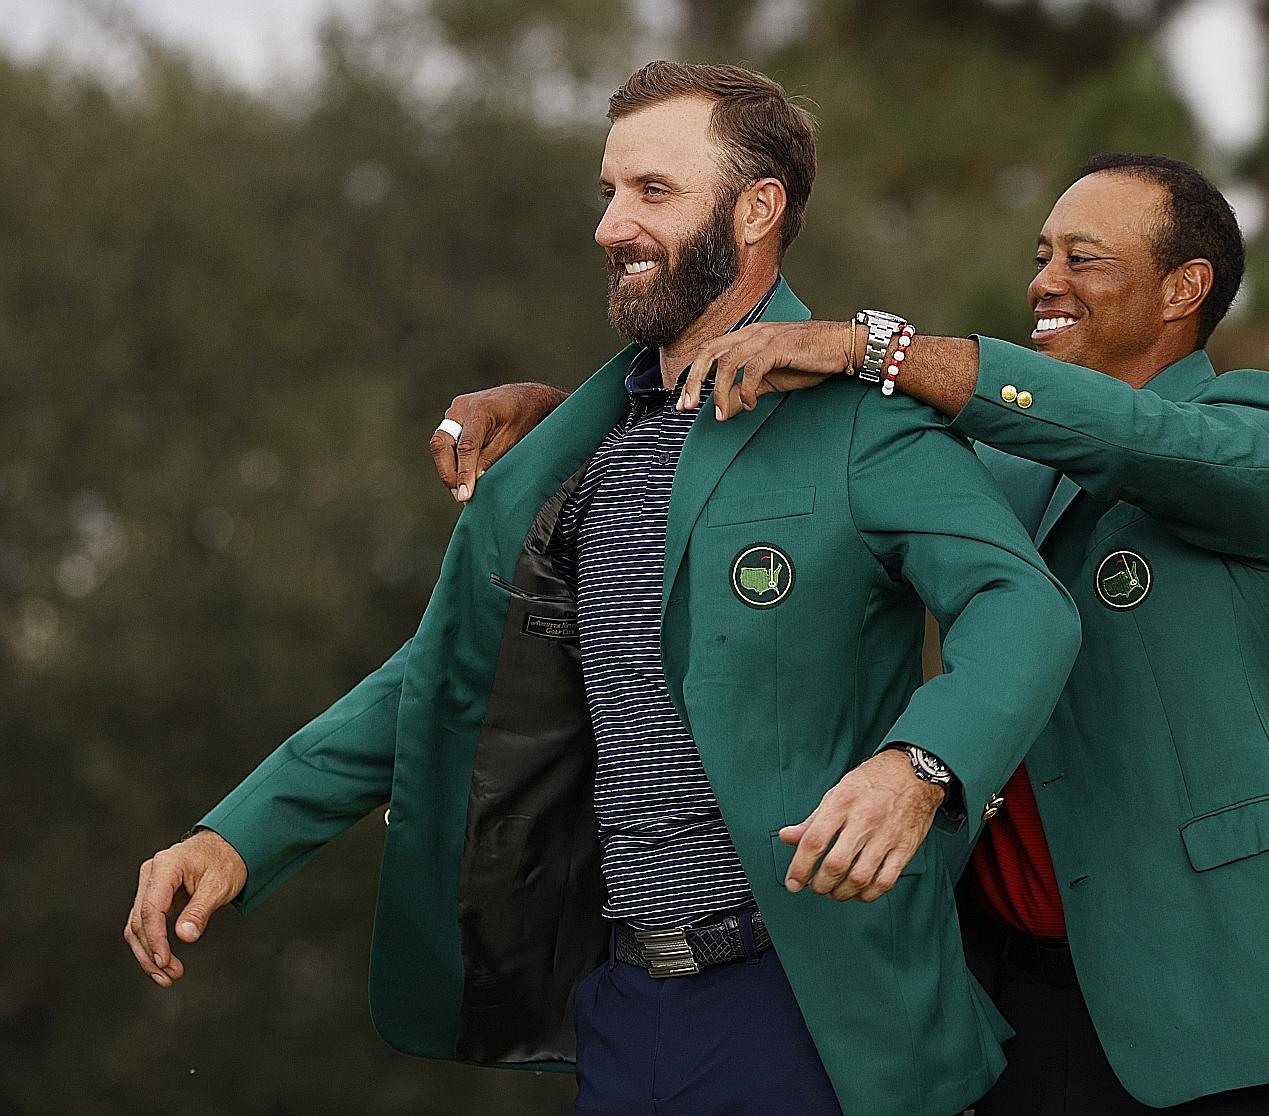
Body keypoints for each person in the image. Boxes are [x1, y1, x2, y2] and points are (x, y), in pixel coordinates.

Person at [125, 61, 1082, 1116]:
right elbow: (449, 676)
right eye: (609, 192)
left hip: (815, 1008)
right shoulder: (586, 451)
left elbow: (1022, 604)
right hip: (623, 1009)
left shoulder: (866, 422)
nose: (611, 226)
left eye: (653, 193)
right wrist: (237, 836)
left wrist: (921, 765)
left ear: (758, 209)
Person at [434, 153, 1269, 1114]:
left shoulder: (1268, 434)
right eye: (1042, 254)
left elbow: (1143, 444)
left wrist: (873, 347)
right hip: (1010, 994)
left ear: (1185, 288)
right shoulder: (997, 459)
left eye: (1083, 259)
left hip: (1214, 992)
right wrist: (571, 424)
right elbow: (793, 468)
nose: (1045, 281)